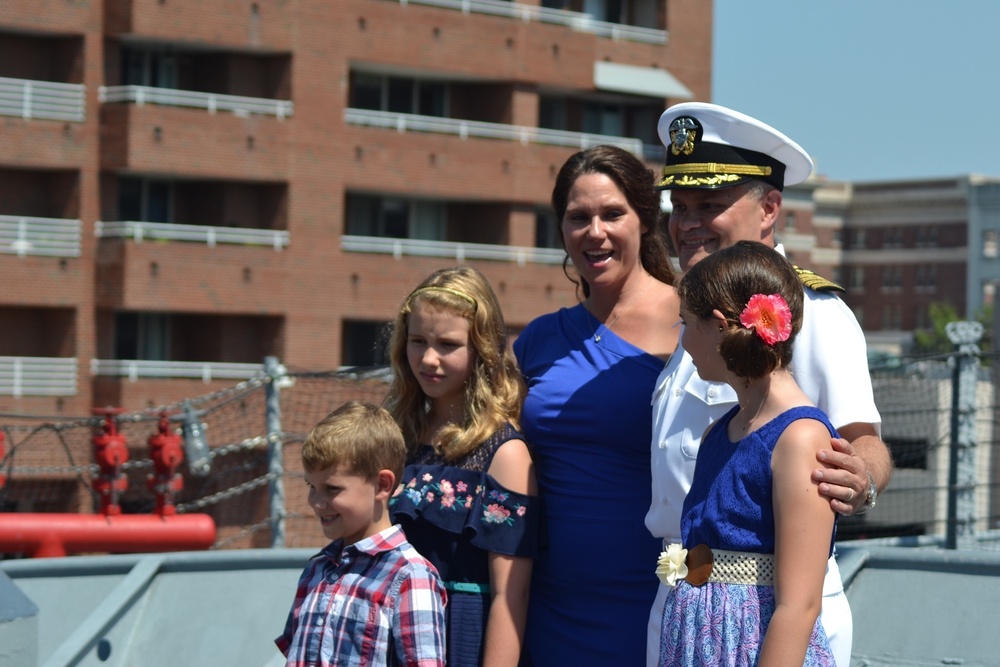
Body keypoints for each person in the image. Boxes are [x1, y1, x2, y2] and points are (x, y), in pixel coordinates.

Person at [646, 102, 894, 667]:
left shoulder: (812, 311)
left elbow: (863, 439)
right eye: (678, 206)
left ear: (770, 209)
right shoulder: (698, 315)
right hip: (686, 596)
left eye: (709, 205)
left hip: (770, 608)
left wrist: (862, 480)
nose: (686, 223)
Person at [514, 144, 682, 665]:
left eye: (613, 214)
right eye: (578, 218)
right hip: (546, 605)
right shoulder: (537, 340)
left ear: (645, 221)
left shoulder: (697, 325)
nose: (595, 231)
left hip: (657, 601)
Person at [657, 240, 839, 667]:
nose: (682, 340)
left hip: (753, 648)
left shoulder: (798, 438)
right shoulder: (719, 433)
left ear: (719, 326)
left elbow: (800, 605)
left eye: (685, 323)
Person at [386, 266, 539, 666]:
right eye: (417, 341)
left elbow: (512, 594)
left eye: (448, 344)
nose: (429, 358)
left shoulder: (505, 454)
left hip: (460, 639)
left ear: (482, 349)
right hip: (388, 637)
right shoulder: (392, 437)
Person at [275, 400, 447, 667]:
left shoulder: (411, 577)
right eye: (311, 486)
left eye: (332, 489)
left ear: (382, 484)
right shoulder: (316, 570)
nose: (317, 502)